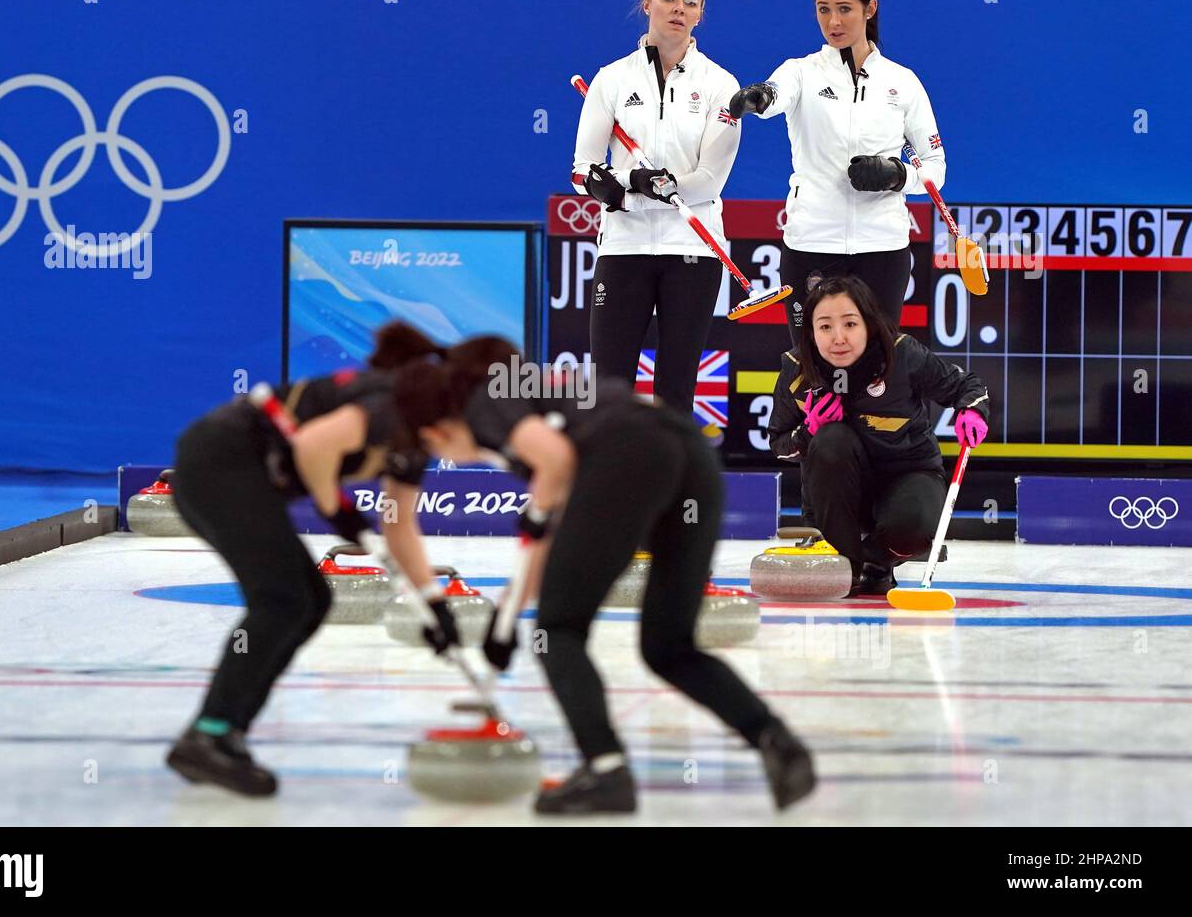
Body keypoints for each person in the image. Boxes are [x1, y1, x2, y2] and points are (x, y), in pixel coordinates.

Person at [392, 346, 816, 815]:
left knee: (558, 632)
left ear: (434, 430)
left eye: (430, 448)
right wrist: (506, 616)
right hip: (688, 457)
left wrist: (533, 516)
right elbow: (556, 531)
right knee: (668, 648)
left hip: (629, 452)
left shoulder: (485, 401)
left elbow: (553, 464)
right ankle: (776, 741)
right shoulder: (534, 394)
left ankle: (606, 769)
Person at [163, 323, 466, 796]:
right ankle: (211, 732)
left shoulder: (416, 439)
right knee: (281, 601)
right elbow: (314, 444)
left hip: (241, 476)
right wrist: (335, 509)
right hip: (218, 464)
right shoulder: (392, 406)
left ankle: (227, 732)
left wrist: (434, 602)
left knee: (310, 600)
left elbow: (399, 525)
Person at [729, 0, 946, 345]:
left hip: (883, 248)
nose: (833, 22)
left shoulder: (903, 82)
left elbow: (935, 169)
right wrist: (759, 97)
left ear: (870, 9)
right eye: (823, 9)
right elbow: (776, 93)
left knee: (878, 370)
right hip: (811, 244)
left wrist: (897, 175)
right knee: (814, 371)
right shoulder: (799, 72)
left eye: (844, 9)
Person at [573, 0, 741, 415]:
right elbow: (584, 169)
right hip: (624, 245)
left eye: (690, 2)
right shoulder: (612, 79)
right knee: (609, 388)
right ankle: (608, 485)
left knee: (675, 389)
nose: (678, 9)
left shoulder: (721, 85)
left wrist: (650, 187)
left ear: (700, 13)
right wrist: (622, 187)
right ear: (647, 4)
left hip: (694, 249)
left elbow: (709, 181)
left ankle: (669, 487)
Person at [767, 276, 990, 593]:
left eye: (850, 324)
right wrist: (808, 432)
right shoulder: (797, 370)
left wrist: (972, 410)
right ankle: (845, 565)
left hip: (908, 474)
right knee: (830, 440)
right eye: (825, 326)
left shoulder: (901, 354)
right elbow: (778, 444)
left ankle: (873, 560)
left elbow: (966, 386)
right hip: (837, 495)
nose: (838, 338)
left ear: (868, 324)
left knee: (915, 531)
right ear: (811, 332)